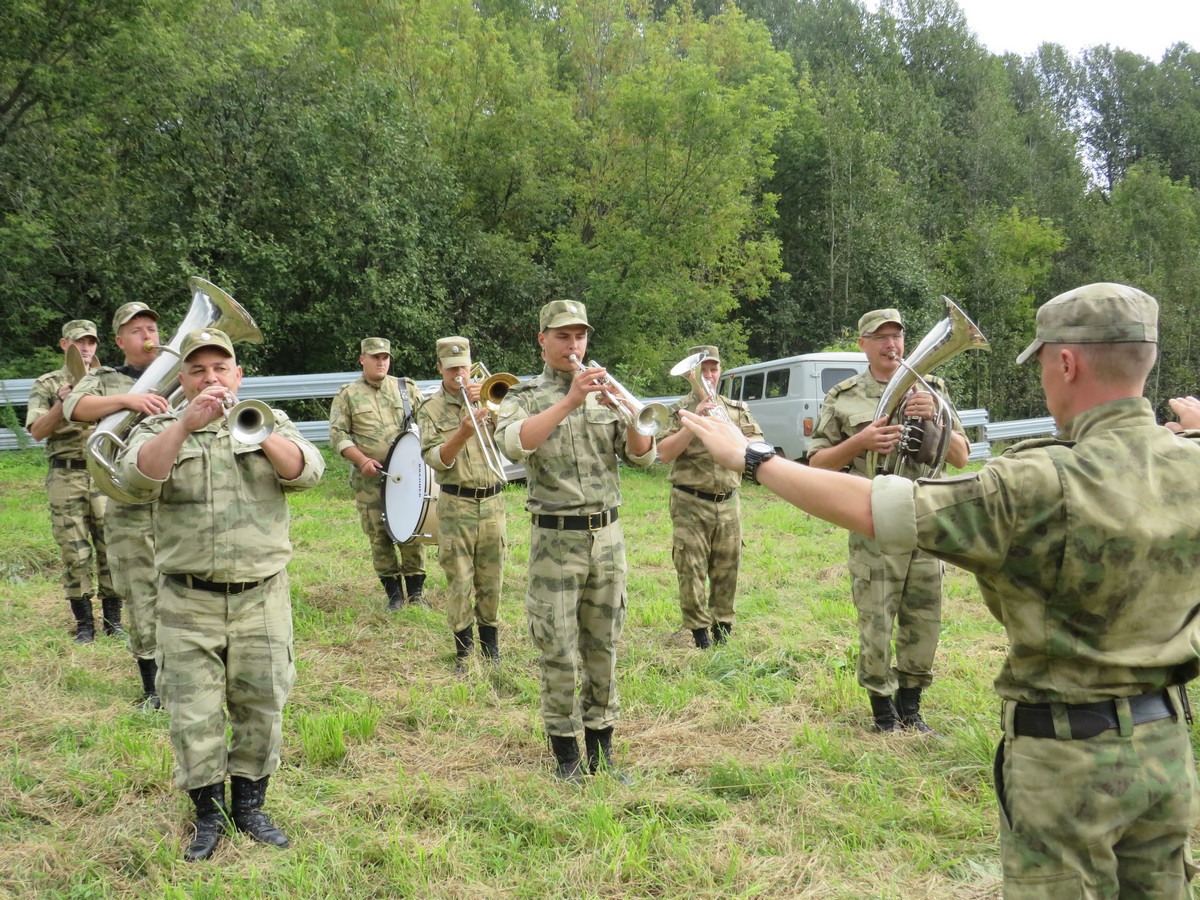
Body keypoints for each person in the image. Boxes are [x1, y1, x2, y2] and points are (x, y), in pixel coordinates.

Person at [680, 283, 1200, 896]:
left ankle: (910, 701)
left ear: (1066, 363)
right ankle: (885, 705)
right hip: (1167, 750)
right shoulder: (1188, 461)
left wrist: (754, 459)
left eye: (1040, 362)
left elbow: (883, 507)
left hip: (1066, 759)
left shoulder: (1036, 481)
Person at [116, 327, 324, 862]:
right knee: (193, 713)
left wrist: (255, 432)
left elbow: (308, 472)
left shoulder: (267, 421)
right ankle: (207, 814)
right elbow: (138, 479)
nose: (211, 379)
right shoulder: (160, 427)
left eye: (220, 369)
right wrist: (186, 425)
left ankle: (251, 806)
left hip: (262, 596)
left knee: (262, 703)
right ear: (183, 379)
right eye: (199, 370)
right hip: (188, 601)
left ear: (238, 375)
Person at [494, 300, 655, 784]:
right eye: (563, 336)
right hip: (555, 543)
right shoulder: (522, 397)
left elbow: (643, 457)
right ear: (542, 340)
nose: (574, 345)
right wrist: (568, 402)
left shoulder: (604, 393)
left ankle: (602, 750)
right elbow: (515, 444)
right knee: (558, 650)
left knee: (604, 645)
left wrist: (630, 417)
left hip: (607, 537)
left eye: (580, 336)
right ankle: (566, 757)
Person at [806, 308, 968, 734]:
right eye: (880, 337)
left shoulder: (932, 387)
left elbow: (963, 457)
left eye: (896, 336)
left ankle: (911, 707)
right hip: (873, 520)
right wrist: (860, 441)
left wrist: (934, 416)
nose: (890, 345)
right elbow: (817, 463)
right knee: (876, 620)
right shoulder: (843, 396)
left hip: (925, 520)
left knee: (924, 619)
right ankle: (882, 711)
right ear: (863, 344)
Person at [64, 301, 170, 709]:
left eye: (152, 329)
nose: (148, 336)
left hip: (178, 496)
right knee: (142, 591)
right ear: (120, 339)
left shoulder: (180, 372)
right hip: (129, 499)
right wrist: (129, 401)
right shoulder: (107, 378)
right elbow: (75, 407)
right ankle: (152, 685)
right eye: (138, 330)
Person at [656, 346, 763, 649]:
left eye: (713, 369)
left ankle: (723, 628)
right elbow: (663, 454)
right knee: (690, 569)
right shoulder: (677, 411)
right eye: (703, 370)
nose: (709, 375)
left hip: (728, 501)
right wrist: (693, 423)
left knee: (728, 568)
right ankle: (699, 633)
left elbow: (756, 445)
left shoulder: (736, 409)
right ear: (691, 374)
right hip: (690, 501)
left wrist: (732, 432)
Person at [415, 337, 507, 670]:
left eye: (464, 368)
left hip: (493, 500)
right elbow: (435, 458)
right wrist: (462, 433)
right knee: (460, 579)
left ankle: (491, 647)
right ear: (440, 368)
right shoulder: (430, 408)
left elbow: (513, 440)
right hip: (457, 503)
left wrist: (493, 406)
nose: (459, 375)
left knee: (492, 578)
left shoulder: (489, 397)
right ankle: (464, 651)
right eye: (452, 369)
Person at [25, 319, 118, 643]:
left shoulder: (110, 380)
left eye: (91, 341)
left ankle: (113, 621)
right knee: (74, 552)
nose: (86, 348)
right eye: (79, 342)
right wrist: (63, 403)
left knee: (112, 547)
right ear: (65, 345)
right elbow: (37, 431)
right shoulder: (48, 383)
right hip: (65, 474)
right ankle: (84, 625)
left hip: (103, 472)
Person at [328, 338, 427, 609]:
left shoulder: (405, 389)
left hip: (407, 476)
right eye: (374, 357)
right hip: (370, 478)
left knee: (411, 531)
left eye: (385, 357)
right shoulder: (347, 393)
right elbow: (338, 435)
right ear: (362, 359)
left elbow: (428, 423)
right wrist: (361, 461)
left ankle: (416, 594)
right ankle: (394, 596)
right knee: (379, 534)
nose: (381, 361)